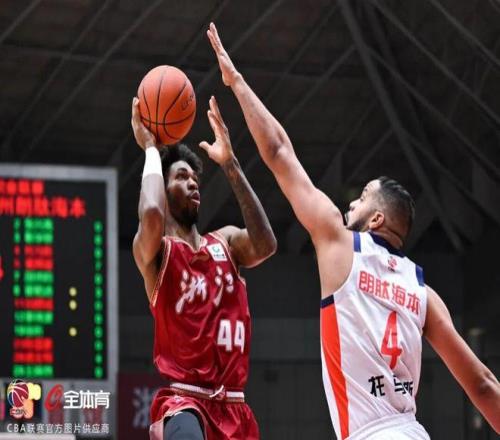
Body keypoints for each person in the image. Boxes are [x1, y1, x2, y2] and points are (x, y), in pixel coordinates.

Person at [207, 22, 500, 440]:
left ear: (377, 219)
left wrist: (236, 82)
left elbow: (279, 151)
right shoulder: (424, 294)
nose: (350, 205)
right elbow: (483, 384)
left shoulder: (339, 243)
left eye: (362, 198)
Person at [131, 92, 276, 440]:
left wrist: (231, 164)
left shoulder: (225, 242)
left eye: (195, 178)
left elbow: (266, 244)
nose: (193, 182)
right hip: (185, 402)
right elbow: (151, 213)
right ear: (164, 189)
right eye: (181, 176)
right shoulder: (157, 252)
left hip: (236, 408)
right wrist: (150, 149)